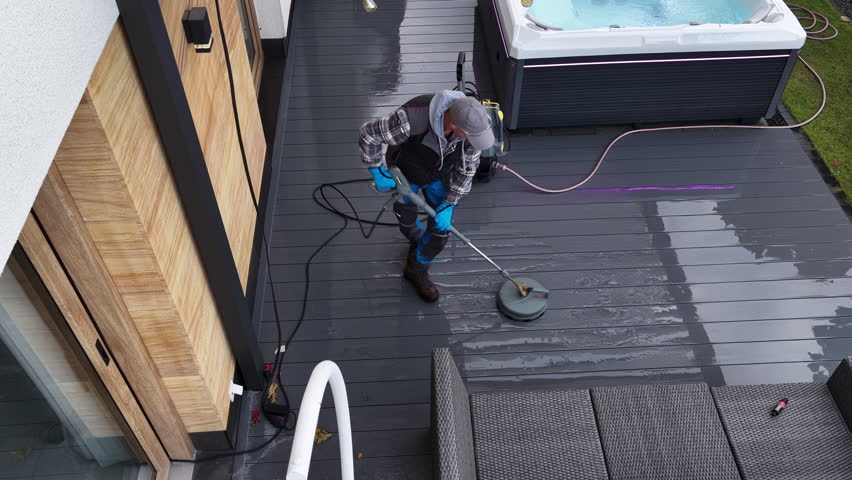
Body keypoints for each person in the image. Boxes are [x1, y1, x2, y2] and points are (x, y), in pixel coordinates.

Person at [359, 90, 494, 302]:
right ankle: (414, 236)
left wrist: (450, 203)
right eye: (469, 136)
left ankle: (417, 269)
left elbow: (467, 169)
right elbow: (369, 134)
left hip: (440, 174)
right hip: (405, 172)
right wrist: (376, 169)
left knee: (440, 231)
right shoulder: (410, 119)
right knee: (406, 220)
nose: (474, 141)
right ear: (453, 125)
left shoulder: (475, 126)